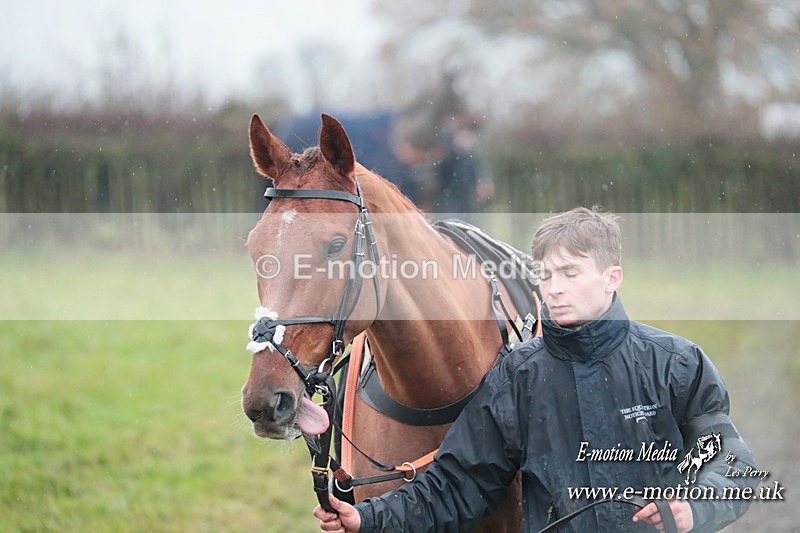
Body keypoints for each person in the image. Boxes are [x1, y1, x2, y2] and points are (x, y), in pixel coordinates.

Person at [314, 207, 758, 532]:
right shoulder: (516, 377)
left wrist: (694, 507)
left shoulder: (676, 363)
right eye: (545, 275)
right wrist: (367, 517)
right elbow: (457, 484)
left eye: (570, 273)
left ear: (612, 277)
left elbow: (732, 463)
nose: (554, 289)